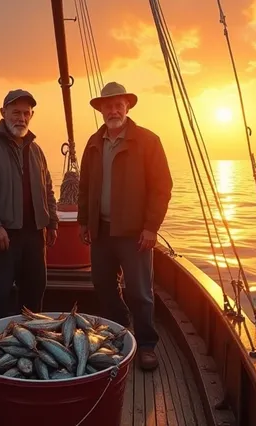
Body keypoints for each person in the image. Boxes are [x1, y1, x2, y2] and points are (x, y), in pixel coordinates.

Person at [77, 82, 173, 371]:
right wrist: (84, 221)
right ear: (101, 110)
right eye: (108, 106)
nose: (113, 110)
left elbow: (162, 187)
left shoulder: (148, 141)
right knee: (102, 285)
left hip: (134, 234)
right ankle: (120, 330)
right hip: (101, 232)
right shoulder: (93, 142)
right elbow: (84, 187)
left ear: (127, 107)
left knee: (139, 292)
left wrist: (151, 227)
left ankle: (146, 344)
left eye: (118, 105)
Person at [0, 89, 59, 326]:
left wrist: (52, 223)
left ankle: (30, 345)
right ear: (2, 112)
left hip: (34, 236)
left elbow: (47, 189)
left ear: (32, 115)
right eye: (15, 112)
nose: (21, 117)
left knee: (35, 292)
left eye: (26, 113)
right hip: (2, 236)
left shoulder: (36, 150)